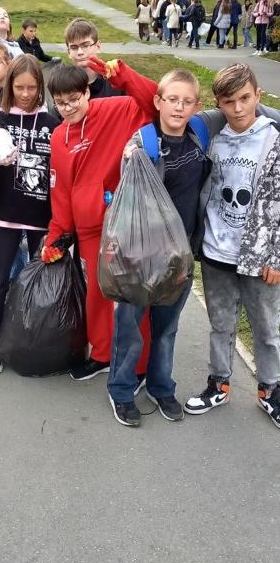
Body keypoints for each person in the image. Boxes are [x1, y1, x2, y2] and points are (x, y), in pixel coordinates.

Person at [41, 57, 158, 380]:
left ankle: (139, 366)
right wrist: (56, 236)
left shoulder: (115, 109)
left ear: (87, 92)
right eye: (60, 102)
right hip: (89, 230)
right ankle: (103, 354)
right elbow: (61, 190)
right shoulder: (59, 137)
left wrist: (125, 77)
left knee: (133, 294)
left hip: (125, 223)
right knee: (96, 294)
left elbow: (155, 103)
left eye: (73, 99)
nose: (67, 108)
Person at [107, 69, 208, 426]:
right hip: (141, 257)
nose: (179, 107)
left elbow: (246, 110)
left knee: (166, 329)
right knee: (129, 326)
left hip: (179, 258)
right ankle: (121, 390)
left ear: (197, 107)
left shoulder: (200, 134)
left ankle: (161, 386)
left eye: (187, 102)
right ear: (158, 102)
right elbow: (127, 205)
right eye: (172, 100)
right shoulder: (142, 146)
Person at [184, 64, 280, 427]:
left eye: (244, 98)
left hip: (261, 257)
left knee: (266, 329)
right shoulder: (213, 140)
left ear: (258, 95)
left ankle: (270, 389)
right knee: (221, 325)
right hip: (216, 252)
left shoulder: (274, 139)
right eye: (228, 101)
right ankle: (219, 384)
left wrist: (277, 256)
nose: (238, 108)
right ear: (218, 103)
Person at [0, 55, 60, 375]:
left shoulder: (52, 124)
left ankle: (35, 340)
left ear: (40, 87)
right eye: (19, 87)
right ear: (9, 87)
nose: (26, 94)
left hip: (42, 217)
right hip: (5, 214)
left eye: (32, 87)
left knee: (41, 284)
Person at [63, 19, 124, 100]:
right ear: (68, 52)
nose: (80, 52)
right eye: (74, 47)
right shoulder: (62, 84)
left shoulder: (116, 81)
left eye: (85, 45)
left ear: (98, 46)